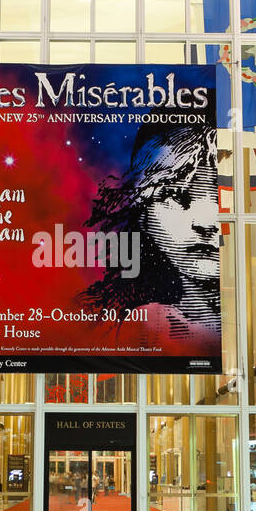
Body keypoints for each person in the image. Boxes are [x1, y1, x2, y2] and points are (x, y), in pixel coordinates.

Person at [78, 115, 221, 348]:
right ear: (141, 211)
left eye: (220, 193)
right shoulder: (145, 329)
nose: (204, 221)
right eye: (174, 195)